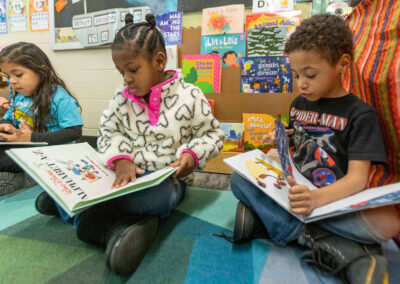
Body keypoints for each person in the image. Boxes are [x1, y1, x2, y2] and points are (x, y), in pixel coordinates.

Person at [37, 14, 224, 276]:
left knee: (160, 200)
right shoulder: (121, 96)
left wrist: (192, 156)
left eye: (132, 70)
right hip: (122, 177)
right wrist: (121, 158)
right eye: (121, 71)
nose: (125, 78)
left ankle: (73, 206)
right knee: (84, 177)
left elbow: (213, 135)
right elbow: (107, 132)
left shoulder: (190, 96)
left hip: (165, 180)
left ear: (159, 61)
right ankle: (112, 224)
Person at [228, 14, 400, 283]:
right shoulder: (298, 104)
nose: (301, 84)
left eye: (310, 74)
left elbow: (358, 179)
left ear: (342, 64)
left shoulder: (360, 115)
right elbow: (298, 148)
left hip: (333, 201)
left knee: (388, 222)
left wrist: (317, 199)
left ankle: (272, 223)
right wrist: (284, 140)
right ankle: (328, 243)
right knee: (239, 179)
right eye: (296, 75)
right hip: (295, 193)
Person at [0, 42, 83, 196]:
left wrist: (33, 137)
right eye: (8, 76)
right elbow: (9, 118)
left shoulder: (60, 98)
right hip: (27, 148)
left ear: (41, 71)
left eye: (18, 75)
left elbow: (74, 132)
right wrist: (5, 125)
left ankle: (27, 179)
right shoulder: (20, 97)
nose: (11, 81)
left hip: (53, 155)